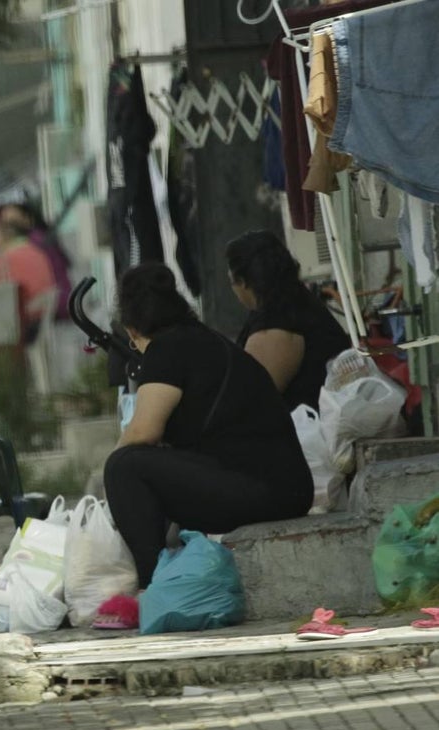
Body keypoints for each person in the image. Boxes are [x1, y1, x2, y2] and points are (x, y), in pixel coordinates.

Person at [103, 263, 312, 598]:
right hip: (286, 488)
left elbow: (143, 432)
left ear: (132, 330)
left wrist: (107, 487)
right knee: (143, 466)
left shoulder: (166, 349)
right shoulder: (205, 341)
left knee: (123, 467)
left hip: (261, 490)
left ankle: (152, 586)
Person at [227, 230, 350, 411]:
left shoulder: (278, 321)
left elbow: (251, 401)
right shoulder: (293, 301)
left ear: (242, 281)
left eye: (231, 282)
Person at [0, 206, 57, 344]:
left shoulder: (8, 257)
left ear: (3, 237)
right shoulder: (34, 250)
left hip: (25, 323)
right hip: (39, 317)